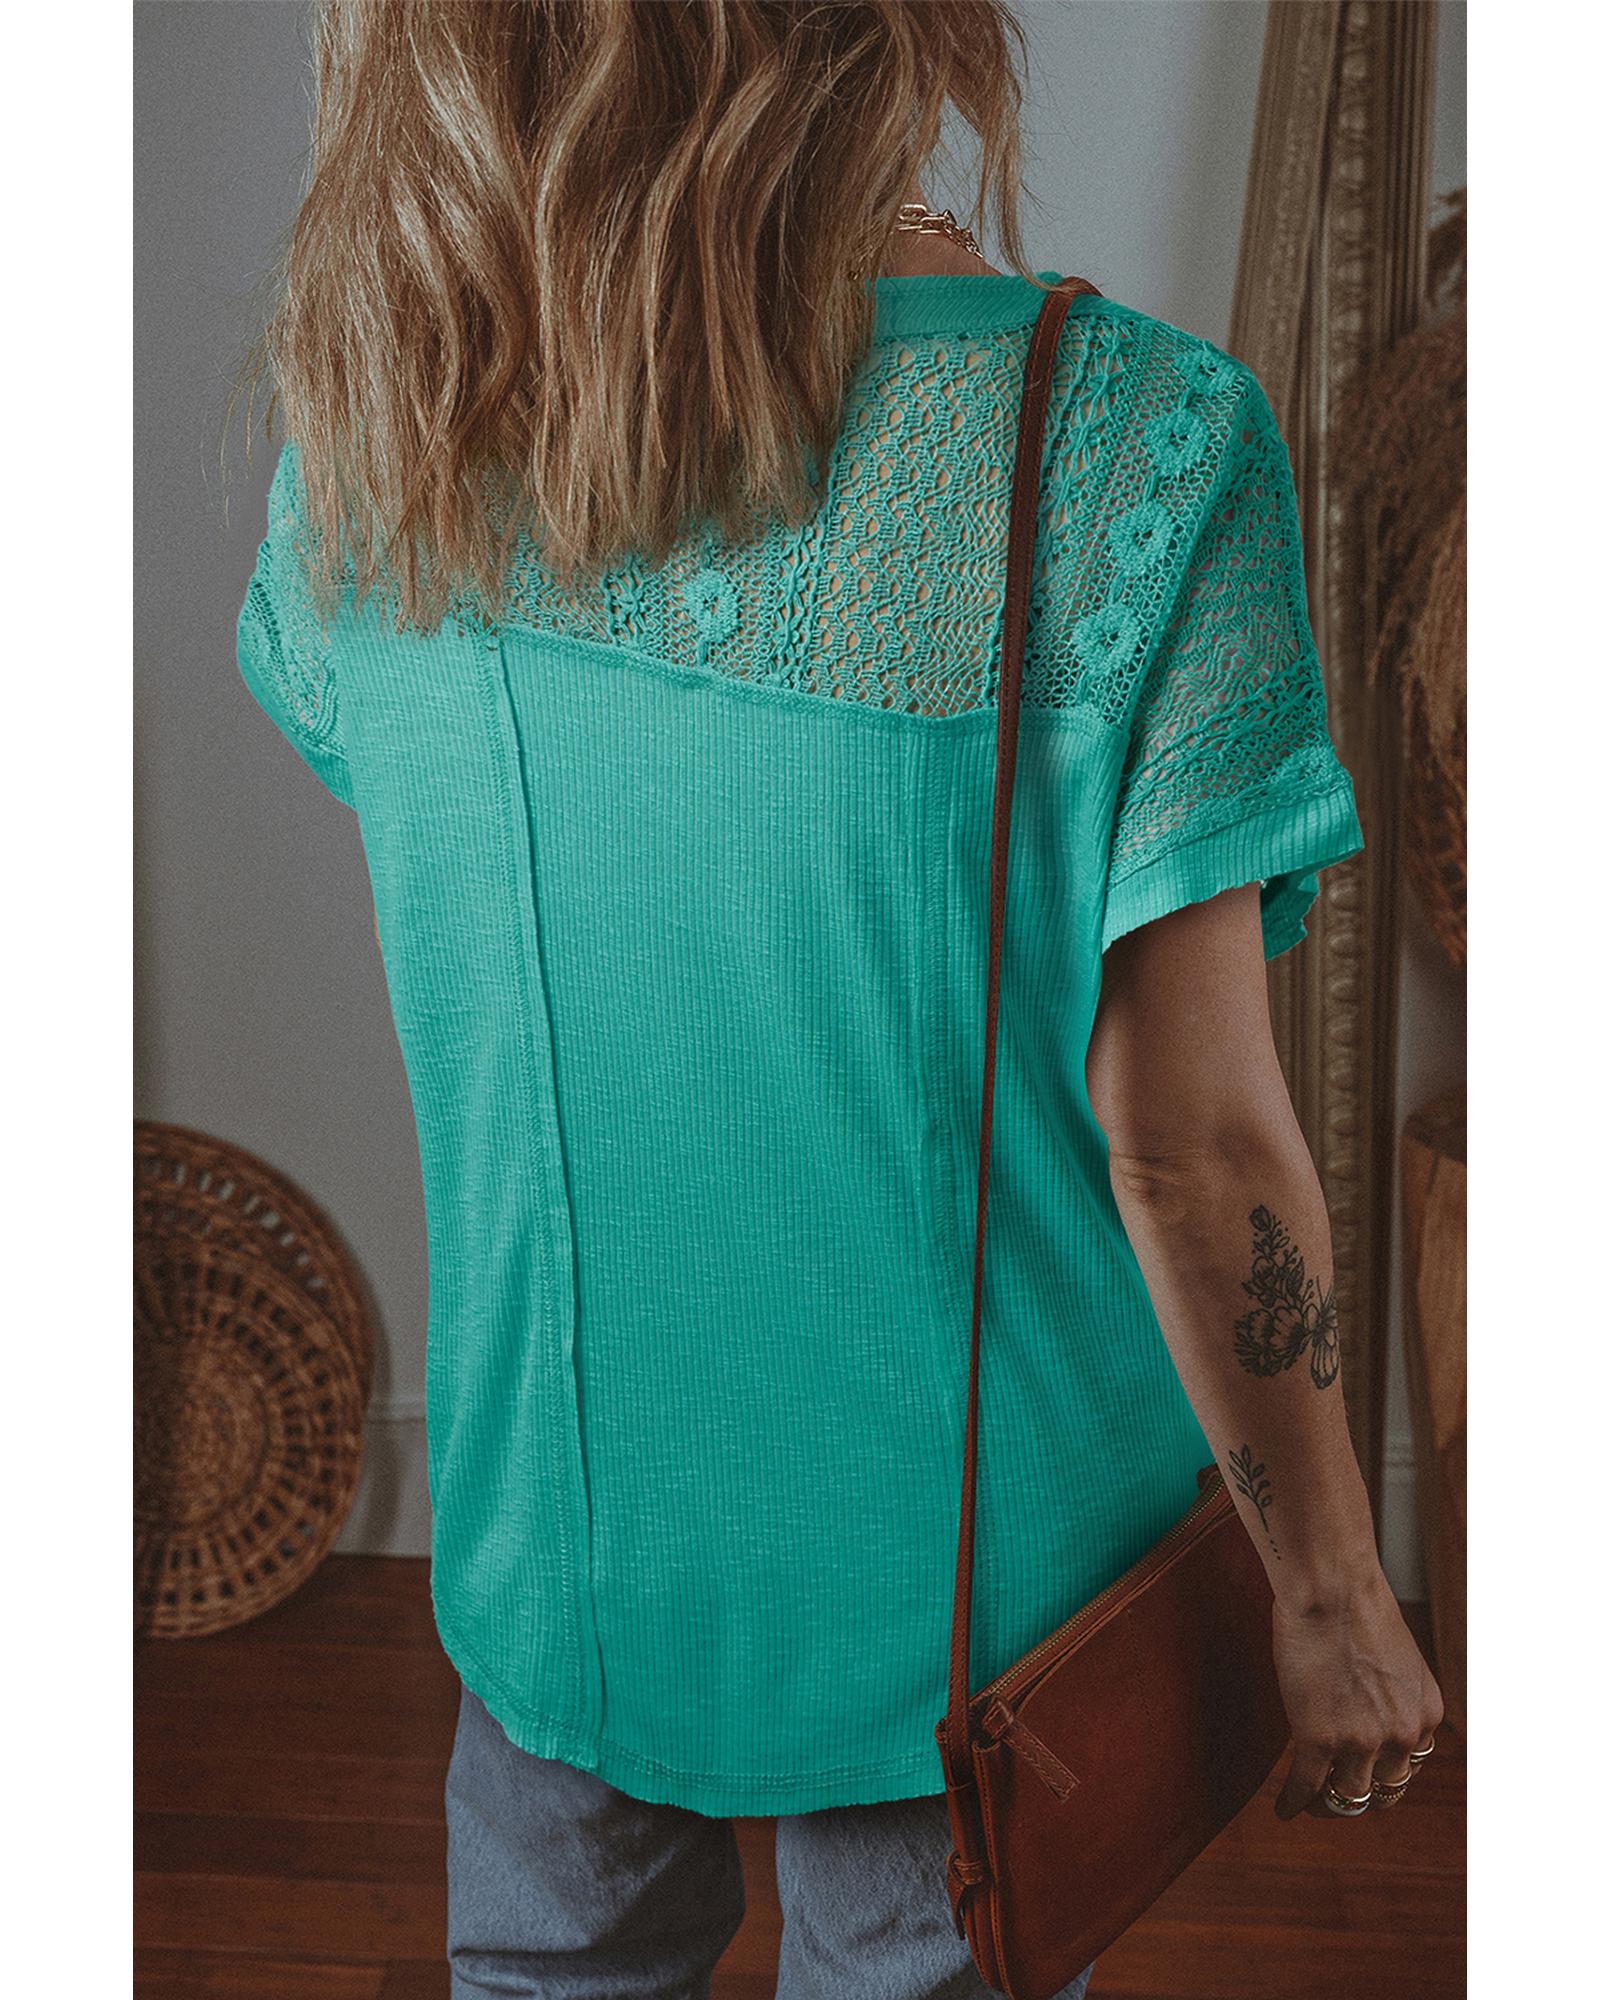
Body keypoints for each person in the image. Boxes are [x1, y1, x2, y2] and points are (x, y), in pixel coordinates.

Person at [229, 4, 1444, 1995]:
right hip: (964, 1623)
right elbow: (1188, 1139)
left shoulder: (386, 423)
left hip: (561, 1535)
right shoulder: (1128, 444)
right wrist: (1324, 1581)